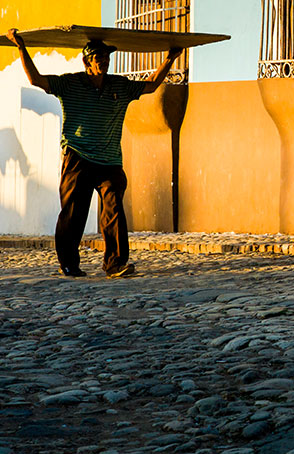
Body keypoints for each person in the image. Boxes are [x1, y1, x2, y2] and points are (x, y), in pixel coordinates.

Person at [8, 28, 182, 278]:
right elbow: (37, 80)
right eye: (99, 58)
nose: (104, 63)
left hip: (109, 160)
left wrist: (170, 58)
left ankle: (115, 263)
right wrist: (21, 47)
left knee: (113, 209)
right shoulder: (70, 84)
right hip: (77, 157)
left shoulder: (120, 86)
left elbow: (152, 85)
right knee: (73, 214)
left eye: (107, 58)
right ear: (87, 62)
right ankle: (69, 263)